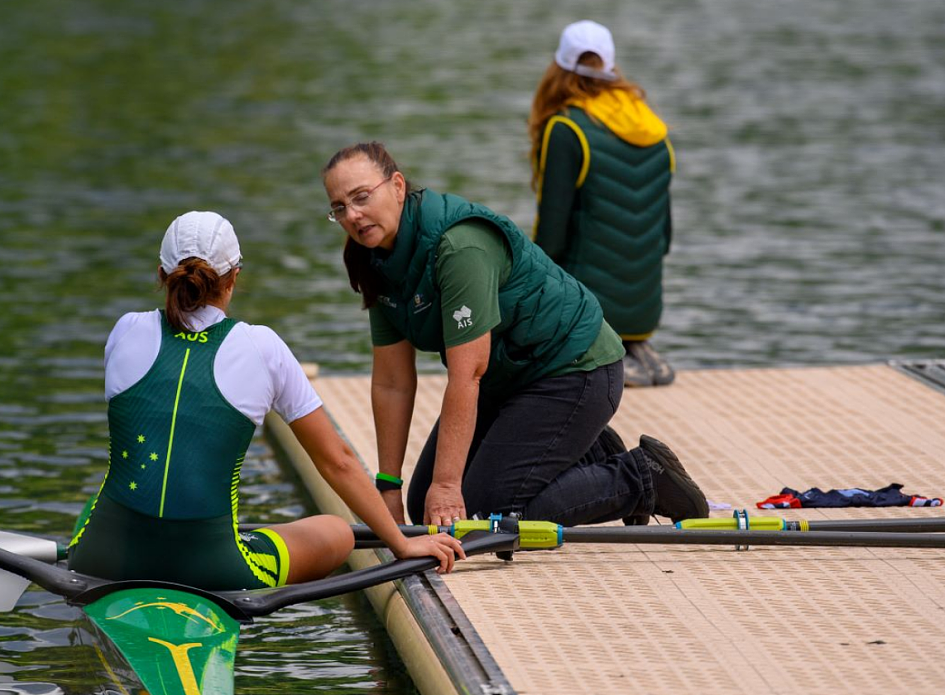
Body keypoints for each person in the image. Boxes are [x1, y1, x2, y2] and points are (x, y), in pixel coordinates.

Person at [68, 211, 464, 590]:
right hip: (214, 566)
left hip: (103, 556)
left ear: (161, 275)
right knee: (338, 531)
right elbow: (337, 461)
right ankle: (222, 542)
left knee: (110, 488)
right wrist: (402, 543)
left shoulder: (125, 330)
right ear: (234, 278)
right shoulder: (262, 347)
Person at [321, 142, 707, 530]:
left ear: (398, 186)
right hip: (508, 380)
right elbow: (392, 383)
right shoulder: (374, 260)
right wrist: (388, 489)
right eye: (340, 207)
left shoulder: (459, 246)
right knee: (424, 502)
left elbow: (467, 374)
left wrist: (449, 484)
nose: (353, 215)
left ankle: (641, 478)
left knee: (481, 515)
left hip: (576, 370)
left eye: (362, 197)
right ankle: (589, 453)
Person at [528, 20, 676, 387]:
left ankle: (600, 350)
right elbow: (666, 237)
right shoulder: (653, 126)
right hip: (645, 310)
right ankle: (636, 347)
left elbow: (551, 241)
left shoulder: (566, 128)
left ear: (558, 68)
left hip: (588, 312)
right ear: (612, 67)